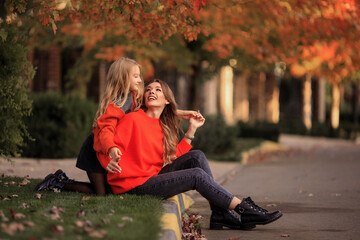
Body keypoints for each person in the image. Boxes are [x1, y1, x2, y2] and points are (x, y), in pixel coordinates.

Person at [97, 79, 282, 230]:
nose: (151, 91)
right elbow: (103, 144)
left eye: (158, 89)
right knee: (196, 176)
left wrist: (191, 130)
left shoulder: (162, 126)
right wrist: (108, 161)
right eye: (148, 89)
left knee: (197, 156)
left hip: (150, 177)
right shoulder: (132, 119)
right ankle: (241, 208)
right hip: (133, 185)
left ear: (167, 100)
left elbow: (172, 157)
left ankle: (220, 213)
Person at [34, 58, 198, 195]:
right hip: (96, 150)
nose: (140, 80)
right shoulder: (119, 103)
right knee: (102, 193)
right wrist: (111, 149)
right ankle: (59, 182)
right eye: (135, 76)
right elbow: (106, 130)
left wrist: (179, 112)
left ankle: (61, 180)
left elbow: (155, 106)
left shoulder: (133, 96)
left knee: (105, 192)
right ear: (123, 78)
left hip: (108, 149)